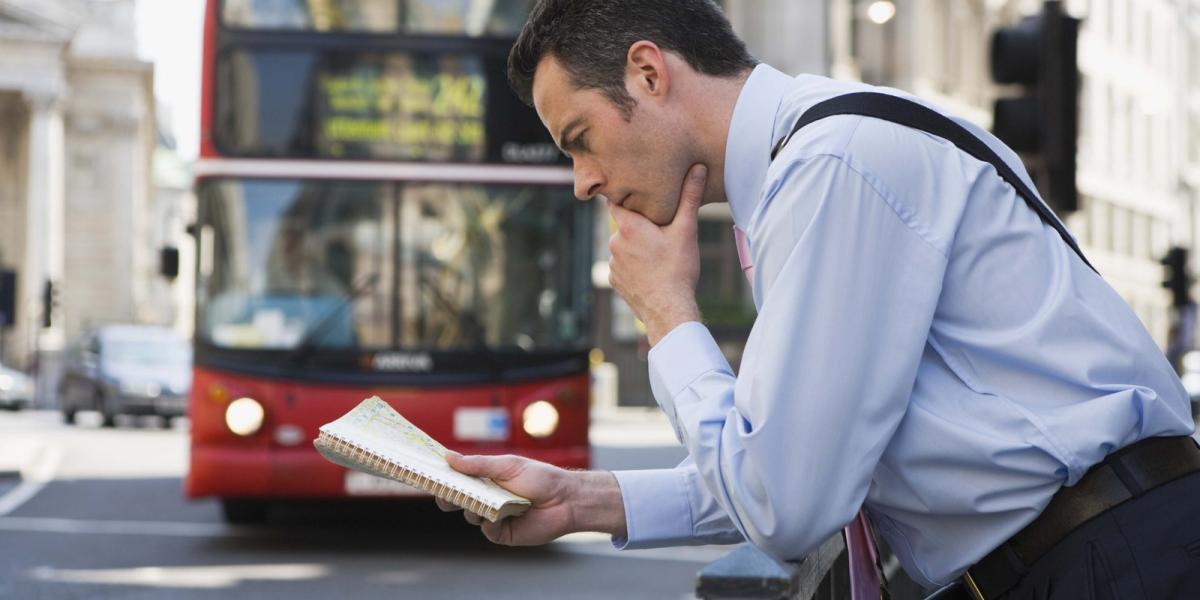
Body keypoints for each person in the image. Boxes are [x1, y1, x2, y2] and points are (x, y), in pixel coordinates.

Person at [436, 0, 1200, 597]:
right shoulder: (822, 157)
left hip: (1112, 560)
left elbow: (787, 505)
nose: (583, 181)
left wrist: (668, 314)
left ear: (647, 73)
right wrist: (578, 500)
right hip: (1101, 548)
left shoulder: (833, 166)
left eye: (579, 137)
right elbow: (797, 458)